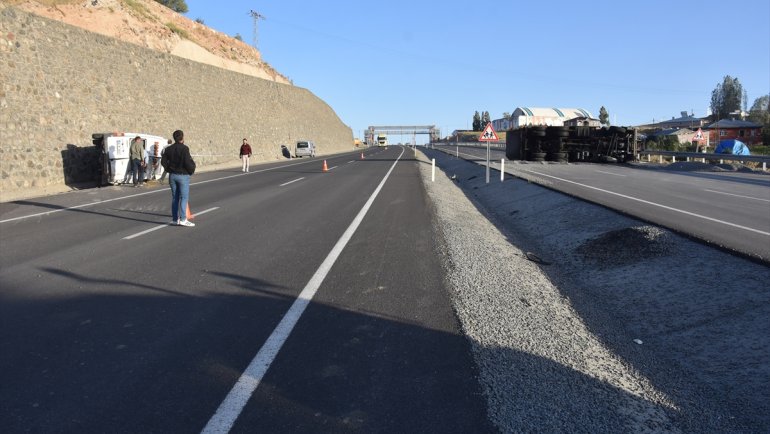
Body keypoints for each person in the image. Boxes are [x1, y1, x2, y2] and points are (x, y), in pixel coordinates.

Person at [161, 130, 196, 227]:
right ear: (182, 137)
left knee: (175, 198)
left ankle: (175, 219)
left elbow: (163, 161)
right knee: (184, 197)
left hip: (172, 175)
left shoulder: (168, 149)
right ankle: (183, 219)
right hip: (183, 175)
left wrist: (168, 169)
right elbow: (187, 162)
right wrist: (191, 171)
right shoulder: (184, 149)